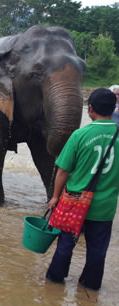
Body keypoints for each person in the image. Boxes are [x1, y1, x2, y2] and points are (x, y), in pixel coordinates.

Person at [45, 88, 119, 290]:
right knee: (97, 250)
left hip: (74, 203)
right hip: (104, 207)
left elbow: (63, 170)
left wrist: (54, 197)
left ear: (90, 109)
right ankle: (90, 285)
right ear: (113, 109)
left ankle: (55, 281)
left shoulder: (80, 135)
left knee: (66, 244)